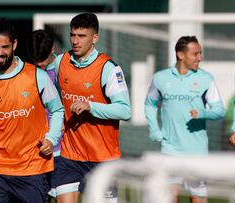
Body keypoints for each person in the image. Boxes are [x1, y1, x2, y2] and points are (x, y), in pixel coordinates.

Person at [0, 17, 64, 203]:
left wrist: (51, 138)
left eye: (4, 47)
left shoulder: (37, 76)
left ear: (14, 45)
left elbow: (57, 110)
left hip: (32, 170)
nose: (0, 53)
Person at [53, 13, 131, 203]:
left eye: (82, 36)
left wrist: (91, 106)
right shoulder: (60, 62)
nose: (75, 41)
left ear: (95, 37)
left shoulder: (109, 69)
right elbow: (56, 104)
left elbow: (125, 111)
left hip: (103, 159)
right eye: (73, 35)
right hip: (69, 156)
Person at [144, 36, 225, 203]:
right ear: (181, 55)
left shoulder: (206, 79)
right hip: (170, 150)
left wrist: (202, 113)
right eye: (195, 54)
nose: (200, 58)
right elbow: (149, 104)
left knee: (197, 199)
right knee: (169, 197)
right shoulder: (160, 78)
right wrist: (154, 129)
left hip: (197, 152)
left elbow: (219, 110)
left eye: (200, 53)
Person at [26, 29, 62, 200]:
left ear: (53, 49)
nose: (39, 64)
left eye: (43, 59)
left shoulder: (65, 70)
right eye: (35, 60)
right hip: (37, 152)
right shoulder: (28, 75)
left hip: (63, 151)